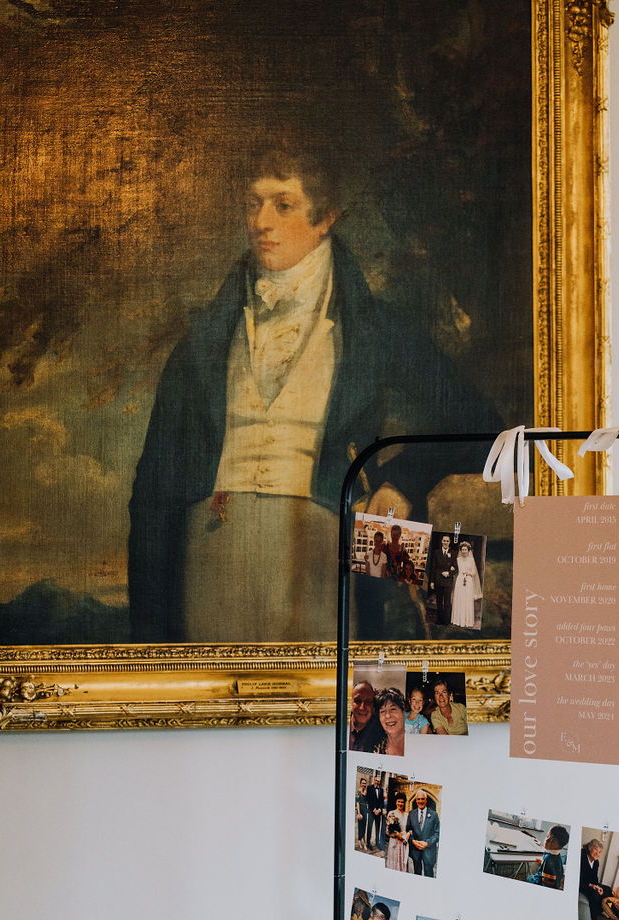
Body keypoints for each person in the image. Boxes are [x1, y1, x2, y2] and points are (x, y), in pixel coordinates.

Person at [128, 134, 499, 643]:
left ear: (324, 218)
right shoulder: (205, 339)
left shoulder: (378, 330)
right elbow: (152, 485)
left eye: (283, 205)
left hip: (323, 551)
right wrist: (147, 627)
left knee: (333, 704)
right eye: (253, 205)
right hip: (210, 553)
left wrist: (402, 480)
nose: (261, 222)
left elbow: (485, 428)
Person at [405, 788, 439, 877]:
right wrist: (413, 841)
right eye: (418, 799)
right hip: (416, 851)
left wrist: (427, 843)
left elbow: (437, 833)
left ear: (426, 800)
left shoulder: (434, 815)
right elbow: (408, 830)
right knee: (417, 874)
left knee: (429, 874)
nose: (420, 801)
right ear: (416, 801)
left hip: (429, 851)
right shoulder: (411, 814)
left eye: (422, 799)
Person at [449, 539, 482, 629]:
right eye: (462, 550)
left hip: (468, 581)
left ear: (468, 550)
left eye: (465, 550)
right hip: (460, 580)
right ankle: (457, 620)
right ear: (460, 550)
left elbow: (474, 572)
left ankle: (467, 621)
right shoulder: (458, 559)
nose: (464, 551)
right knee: (459, 598)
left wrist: (468, 573)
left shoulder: (471, 560)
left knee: (467, 599)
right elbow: (455, 569)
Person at [429, 534, 458, 624]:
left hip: (448, 581)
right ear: (441, 541)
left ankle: (446, 621)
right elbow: (433, 567)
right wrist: (432, 581)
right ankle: (439, 620)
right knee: (439, 601)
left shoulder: (453, 553)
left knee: (447, 602)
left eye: (447, 541)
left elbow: (456, 568)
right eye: (444, 541)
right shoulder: (436, 552)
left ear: (449, 542)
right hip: (438, 580)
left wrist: (449, 573)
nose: (445, 542)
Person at [350, 681, 386, 754]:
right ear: (350, 703)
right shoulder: (340, 728)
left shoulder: (380, 736)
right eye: (358, 701)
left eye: (368, 702)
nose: (362, 707)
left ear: (373, 707)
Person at [578, 838, 606, 920]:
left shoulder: (596, 862)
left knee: (607, 890)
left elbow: (595, 878)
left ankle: (601, 911)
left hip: (590, 884)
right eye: (596, 850)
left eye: (599, 852)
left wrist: (597, 886)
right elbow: (579, 877)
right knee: (595, 894)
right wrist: (591, 886)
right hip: (581, 884)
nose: (598, 853)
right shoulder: (581, 856)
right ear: (589, 847)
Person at [374, 688, 407, 757]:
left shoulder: (417, 741)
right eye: (382, 711)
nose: (388, 715)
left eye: (393, 709)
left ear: (403, 712)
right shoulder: (376, 749)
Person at [384, 792, 411, 873]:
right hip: (394, 844)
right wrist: (398, 835)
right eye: (399, 801)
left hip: (403, 844)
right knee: (394, 865)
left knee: (403, 864)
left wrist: (407, 835)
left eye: (402, 802)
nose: (400, 803)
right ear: (396, 802)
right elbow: (387, 831)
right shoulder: (391, 813)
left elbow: (410, 829)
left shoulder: (407, 815)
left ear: (405, 803)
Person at [364, 773, 387, 850]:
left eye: (378, 781)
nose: (377, 782)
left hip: (378, 812)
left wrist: (379, 810)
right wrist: (374, 810)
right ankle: (368, 843)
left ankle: (377, 843)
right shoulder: (369, 788)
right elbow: (368, 800)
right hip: (371, 812)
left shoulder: (381, 789)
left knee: (377, 828)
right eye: (376, 780)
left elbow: (381, 802)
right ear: (374, 780)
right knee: (369, 828)